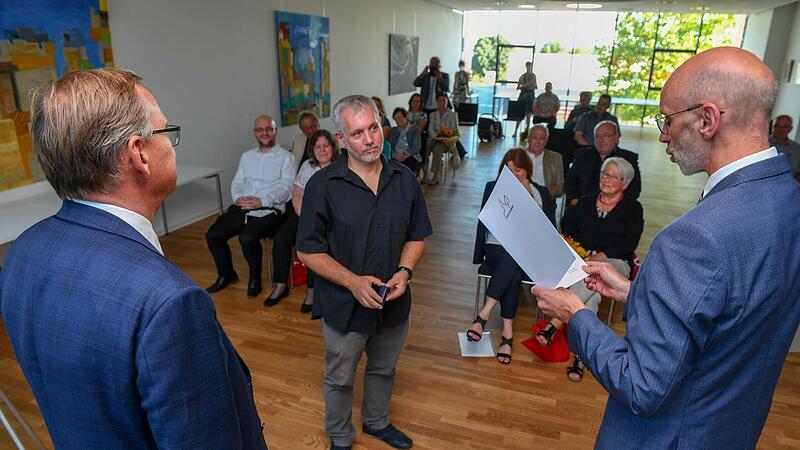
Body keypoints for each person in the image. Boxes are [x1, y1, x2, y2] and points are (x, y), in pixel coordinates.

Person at [532, 47, 800, 449]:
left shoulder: (694, 238)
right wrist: (635, 292)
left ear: (707, 119)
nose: (662, 135)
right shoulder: (788, 199)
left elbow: (643, 386)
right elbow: (730, 310)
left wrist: (575, 314)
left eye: (667, 120)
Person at [0, 68, 267, 448]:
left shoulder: (23, 253)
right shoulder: (168, 303)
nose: (172, 144)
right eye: (166, 132)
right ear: (139, 153)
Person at [296, 95, 432, 450]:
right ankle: (340, 436)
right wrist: (352, 282)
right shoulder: (322, 186)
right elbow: (307, 250)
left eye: (373, 128)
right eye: (357, 133)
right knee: (340, 378)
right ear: (341, 139)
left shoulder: (404, 179)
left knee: (384, 369)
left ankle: (376, 422)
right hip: (344, 306)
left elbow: (417, 236)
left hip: (394, 304)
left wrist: (405, 270)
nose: (370, 139)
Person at [535, 157, 643, 382]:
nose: (607, 179)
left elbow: (629, 243)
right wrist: (580, 251)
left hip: (615, 263)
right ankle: (581, 357)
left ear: (624, 183)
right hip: (582, 261)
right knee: (591, 291)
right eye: (604, 174)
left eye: (613, 176)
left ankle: (554, 323)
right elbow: (567, 228)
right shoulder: (585, 202)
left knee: (593, 272)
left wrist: (600, 256)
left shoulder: (633, 208)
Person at [469, 148, 555, 365]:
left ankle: (484, 315)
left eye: (518, 170)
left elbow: (546, 227)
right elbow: (487, 221)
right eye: (508, 170)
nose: (513, 175)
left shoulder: (540, 192)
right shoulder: (493, 187)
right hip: (496, 247)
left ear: (527, 171)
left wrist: (525, 193)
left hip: (528, 252)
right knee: (514, 261)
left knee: (517, 255)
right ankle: (507, 335)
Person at [205, 115, 296, 298]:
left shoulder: (287, 158)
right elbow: (237, 182)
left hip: (270, 209)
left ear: (275, 131)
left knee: (247, 238)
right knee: (213, 235)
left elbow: (287, 188)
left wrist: (262, 201)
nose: (264, 133)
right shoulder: (247, 156)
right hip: (243, 207)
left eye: (269, 129)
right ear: (255, 132)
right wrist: (239, 198)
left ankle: (255, 279)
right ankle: (227, 274)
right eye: (260, 129)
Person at [265, 129, 340, 310]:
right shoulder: (307, 165)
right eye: (317, 146)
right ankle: (280, 284)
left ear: (333, 147)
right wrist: (304, 216)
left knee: (314, 244)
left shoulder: (341, 166)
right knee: (282, 238)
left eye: (325, 146)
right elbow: (297, 193)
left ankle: (312, 292)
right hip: (304, 214)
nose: (321, 150)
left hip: (330, 218)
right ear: (312, 149)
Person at [565, 120, 641, 206]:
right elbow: (570, 181)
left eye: (606, 136)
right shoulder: (583, 155)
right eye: (597, 136)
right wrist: (574, 200)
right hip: (581, 205)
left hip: (614, 208)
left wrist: (613, 205)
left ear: (616, 138)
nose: (600, 140)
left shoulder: (628, 159)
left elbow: (634, 190)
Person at [525, 124, 564, 201]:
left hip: (545, 199)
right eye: (535, 137)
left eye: (542, 138)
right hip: (521, 199)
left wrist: (542, 195)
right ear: (528, 139)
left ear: (546, 140)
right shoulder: (518, 156)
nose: (538, 141)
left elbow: (560, 186)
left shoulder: (556, 158)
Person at [427, 93, 460, 185]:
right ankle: (424, 171)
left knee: (437, 149)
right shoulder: (433, 114)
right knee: (425, 147)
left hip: (447, 141)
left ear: (447, 101)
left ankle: (436, 175)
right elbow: (430, 129)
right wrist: (436, 137)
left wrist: (447, 138)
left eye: (444, 100)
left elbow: (456, 131)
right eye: (439, 100)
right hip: (435, 139)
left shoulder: (453, 114)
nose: (441, 102)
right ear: (436, 102)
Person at [389, 107, 422, 173]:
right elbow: (389, 147)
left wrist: (404, 155)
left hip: (410, 156)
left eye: (399, 117)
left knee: (406, 169)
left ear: (406, 117)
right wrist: (395, 155)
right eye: (395, 119)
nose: (397, 120)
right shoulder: (393, 131)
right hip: (396, 157)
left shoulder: (415, 130)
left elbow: (416, 147)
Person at [769, 114, 800, 180]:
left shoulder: (797, 149)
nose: (780, 129)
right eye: (777, 126)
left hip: (789, 184)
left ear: (790, 129)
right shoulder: (763, 144)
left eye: (784, 127)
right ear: (773, 127)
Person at [513, 61, 538, 137]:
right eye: (528, 66)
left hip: (530, 97)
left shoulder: (533, 76)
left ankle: (527, 132)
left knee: (528, 115)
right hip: (523, 96)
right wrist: (524, 86)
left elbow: (536, 86)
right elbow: (518, 87)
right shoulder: (522, 76)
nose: (529, 68)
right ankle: (515, 131)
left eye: (530, 66)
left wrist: (531, 85)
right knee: (519, 115)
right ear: (526, 67)